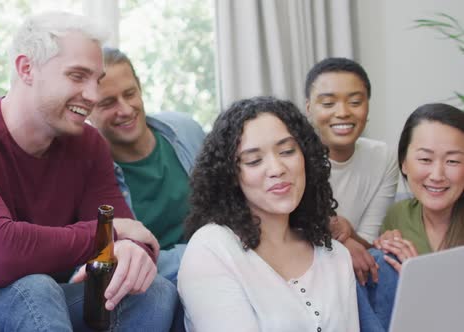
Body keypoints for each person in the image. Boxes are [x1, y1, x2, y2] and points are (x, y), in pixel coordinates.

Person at [0, 11, 177, 331]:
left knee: (154, 292)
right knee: (33, 286)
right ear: (26, 68)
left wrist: (132, 251)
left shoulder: (88, 144)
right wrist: (111, 235)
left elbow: (134, 237)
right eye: (78, 76)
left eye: (97, 80)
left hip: (47, 306)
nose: (92, 95)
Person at [178, 96, 359, 331]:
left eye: (287, 151)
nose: (276, 169)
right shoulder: (212, 249)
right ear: (231, 175)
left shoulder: (335, 256)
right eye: (254, 161)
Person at [89, 47, 205, 283]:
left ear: (140, 88)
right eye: (108, 102)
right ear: (88, 110)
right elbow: (130, 264)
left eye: (130, 94)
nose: (125, 109)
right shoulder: (91, 176)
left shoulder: (185, 132)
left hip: (216, 270)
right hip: (154, 286)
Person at [358, 103, 464, 331]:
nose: (437, 175)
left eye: (453, 161)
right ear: (404, 163)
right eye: (425, 160)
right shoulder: (399, 215)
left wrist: (421, 281)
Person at [305, 57, 399, 286]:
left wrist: (348, 235)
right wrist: (342, 243)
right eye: (328, 104)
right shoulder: (293, 159)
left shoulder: (383, 157)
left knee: (385, 260)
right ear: (309, 109)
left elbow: (367, 241)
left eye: (355, 102)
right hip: (305, 270)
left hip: (354, 274)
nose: (343, 112)